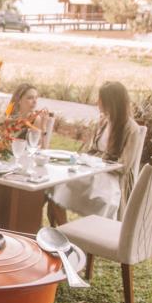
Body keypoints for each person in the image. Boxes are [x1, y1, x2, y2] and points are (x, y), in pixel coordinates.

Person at [48, 82, 141, 224]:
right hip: (93, 173)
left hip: (112, 179)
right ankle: (62, 231)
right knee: (59, 185)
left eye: (100, 99)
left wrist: (98, 161)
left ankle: (98, 232)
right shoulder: (103, 121)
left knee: (105, 200)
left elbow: (124, 166)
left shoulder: (131, 129)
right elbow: (92, 150)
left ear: (111, 102)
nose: (97, 102)